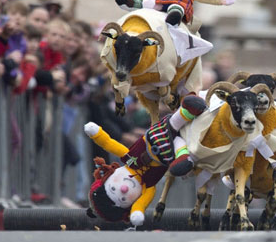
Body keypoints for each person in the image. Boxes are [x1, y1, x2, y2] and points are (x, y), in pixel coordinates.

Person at [83, 95, 207, 226]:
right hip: (169, 154)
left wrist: (96, 134)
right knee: (178, 144)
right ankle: (183, 157)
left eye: (113, 188)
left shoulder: (128, 159)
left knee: (171, 126)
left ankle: (186, 111)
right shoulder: (147, 185)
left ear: (107, 177)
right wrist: (137, 212)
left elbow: (109, 143)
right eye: (123, 199)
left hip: (155, 136)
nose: (124, 189)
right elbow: (142, 202)